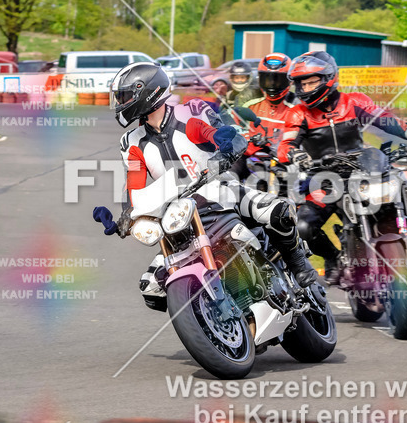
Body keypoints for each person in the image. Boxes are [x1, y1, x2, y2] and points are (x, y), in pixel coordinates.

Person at [104, 61, 318, 292]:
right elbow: (134, 183)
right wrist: (128, 214)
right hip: (178, 211)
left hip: (220, 190)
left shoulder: (189, 113)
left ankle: (298, 264)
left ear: (146, 92)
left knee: (279, 212)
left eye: (125, 96)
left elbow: (221, 135)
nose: (121, 103)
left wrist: (225, 148)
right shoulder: (131, 141)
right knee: (151, 288)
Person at [277, 51, 407, 283]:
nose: (306, 88)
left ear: (329, 78)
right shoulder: (298, 113)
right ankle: (332, 258)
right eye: (302, 83)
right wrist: (297, 154)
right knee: (303, 225)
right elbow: (286, 145)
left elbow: (387, 120)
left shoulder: (354, 101)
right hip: (326, 178)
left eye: (312, 81)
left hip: (366, 170)